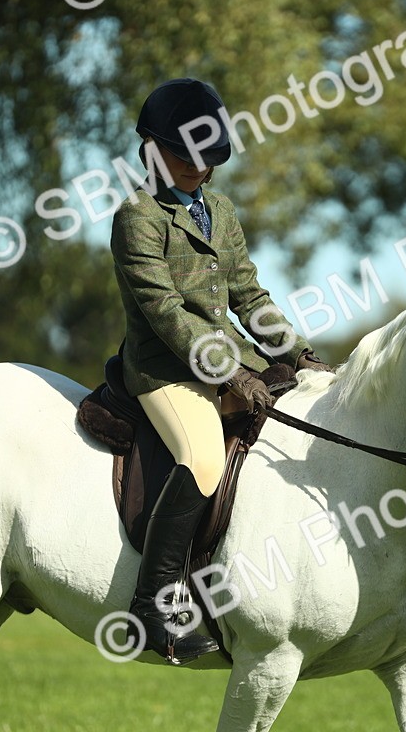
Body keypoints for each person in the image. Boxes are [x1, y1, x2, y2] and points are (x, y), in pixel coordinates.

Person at [110, 77, 332, 663]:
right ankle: (150, 604)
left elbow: (249, 296)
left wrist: (296, 355)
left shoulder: (221, 212)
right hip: (163, 371)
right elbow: (165, 312)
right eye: (184, 158)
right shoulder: (138, 217)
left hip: (228, 357)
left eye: (206, 160)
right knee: (203, 457)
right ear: (152, 149)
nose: (196, 170)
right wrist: (230, 373)